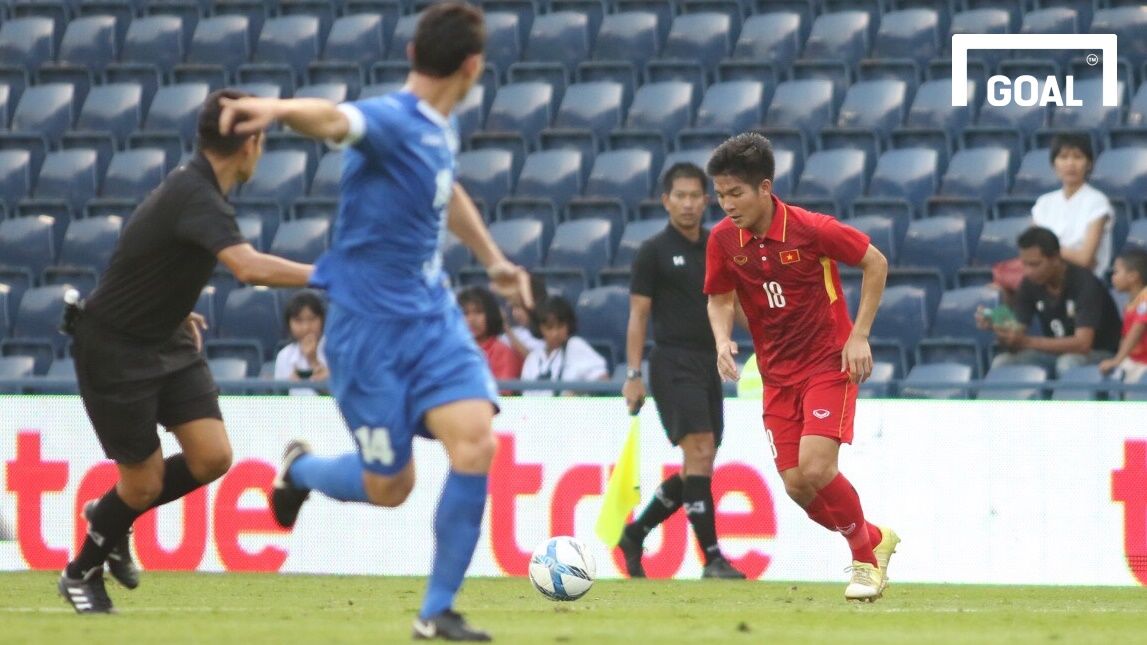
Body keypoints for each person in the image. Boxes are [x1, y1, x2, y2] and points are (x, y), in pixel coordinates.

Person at [217, 4, 532, 640]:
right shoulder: (391, 119)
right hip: (366, 333)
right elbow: (334, 117)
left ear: (417, 53)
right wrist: (277, 110)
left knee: (477, 440)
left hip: (432, 319)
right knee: (391, 487)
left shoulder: (440, 131)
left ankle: (436, 611)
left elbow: (449, 189)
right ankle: (299, 470)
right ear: (472, 67)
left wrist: (493, 259)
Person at [58, 89, 315, 614]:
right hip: (115, 348)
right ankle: (81, 569)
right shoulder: (195, 193)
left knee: (213, 456)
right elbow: (247, 267)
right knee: (145, 481)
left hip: (165, 336)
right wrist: (331, 275)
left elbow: (149, 263)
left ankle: (110, 512)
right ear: (250, 144)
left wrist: (171, 308)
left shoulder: (198, 191)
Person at [702, 132, 899, 602]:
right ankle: (873, 537)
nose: (727, 204)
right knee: (796, 486)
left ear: (765, 188)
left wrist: (860, 335)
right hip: (776, 375)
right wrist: (722, 339)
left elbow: (875, 263)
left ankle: (866, 564)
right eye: (721, 195)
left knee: (816, 465)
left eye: (736, 194)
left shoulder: (812, 229)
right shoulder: (724, 240)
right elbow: (719, 297)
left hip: (828, 363)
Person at [617, 162, 744, 580]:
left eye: (695, 196)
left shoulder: (718, 245)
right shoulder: (653, 251)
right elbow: (638, 316)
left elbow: (732, 304)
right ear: (666, 200)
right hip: (672, 361)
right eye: (681, 196)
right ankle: (712, 560)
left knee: (699, 465)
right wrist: (633, 373)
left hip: (709, 362)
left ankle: (636, 533)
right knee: (702, 451)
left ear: (707, 201)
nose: (688, 204)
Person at [981, 226, 1121, 377]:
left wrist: (1026, 341)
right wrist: (1001, 328)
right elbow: (1016, 337)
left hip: (1101, 353)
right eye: (1024, 264)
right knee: (1003, 362)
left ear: (1055, 258)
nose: (1028, 271)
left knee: (1068, 363)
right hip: (1055, 353)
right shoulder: (1029, 283)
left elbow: (1083, 344)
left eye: (1035, 264)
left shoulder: (1085, 284)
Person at [1031, 133, 1114, 279]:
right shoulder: (1043, 203)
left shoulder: (1097, 202)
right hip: (1046, 279)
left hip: (1083, 282)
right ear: (1053, 164)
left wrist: (1048, 249)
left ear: (1089, 164)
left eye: (1077, 157)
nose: (1070, 164)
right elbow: (1032, 250)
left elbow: (1085, 259)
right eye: (1063, 157)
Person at [520, 296, 608, 396]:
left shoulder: (575, 345)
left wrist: (577, 392)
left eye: (560, 326)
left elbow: (603, 379)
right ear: (539, 328)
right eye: (549, 328)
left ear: (568, 325)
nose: (555, 333)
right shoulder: (532, 358)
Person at [1098, 249, 1147, 382]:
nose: (1112, 277)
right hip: (1133, 360)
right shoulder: (1129, 302)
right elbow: (1125, 335)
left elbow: (1137, 330)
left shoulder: (1145, 298)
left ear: (1133, 276)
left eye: (1116, 272)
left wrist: (1117, 360)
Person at [457, 285, 522, 380]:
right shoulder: (452, 351)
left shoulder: (502, 352)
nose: (471, 320)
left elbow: (504, 392)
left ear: (490, 314)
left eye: (478, 312)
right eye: (465, 313)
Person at [273, 289, 329, 395]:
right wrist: (287, 388)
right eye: (298, 320)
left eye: (312, 319)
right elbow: (279, 402)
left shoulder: (335, 350)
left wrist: (313, 360)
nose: (306, 327)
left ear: (322, 320)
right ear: (289, 323)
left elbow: (343, 400)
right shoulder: (284, 356)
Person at [501, 273, 547, 358]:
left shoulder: (546, 334)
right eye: (513, 307)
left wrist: (506, 329)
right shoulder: (516, 331)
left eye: (519, 307)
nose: (515, 313)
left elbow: (530, 359)